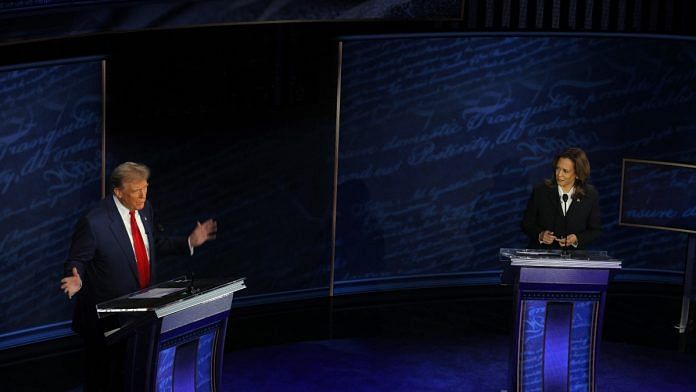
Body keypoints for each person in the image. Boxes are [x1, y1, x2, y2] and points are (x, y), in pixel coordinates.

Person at [59, 162, 217, 391]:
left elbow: (155, 243)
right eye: (136, 190)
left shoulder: (146, 209)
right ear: (118, 192)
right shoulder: (94, 222)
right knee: (104, 381)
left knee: (133, 377)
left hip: (141, 314)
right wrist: (76, 278)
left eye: (146, 187)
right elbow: (76, 260)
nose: (143, 194)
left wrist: (189, 242)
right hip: (106, 321)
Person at [521, 147, 601, 250]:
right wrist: (540, 235)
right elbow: (527, 224)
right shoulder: (541, 191)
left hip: (573, 259)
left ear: (577, 174)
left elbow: (595, 230)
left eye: (565, 171)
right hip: (542, 256)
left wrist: (577, 238)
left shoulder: (590, 195)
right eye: (557, 168)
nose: (559, 174)